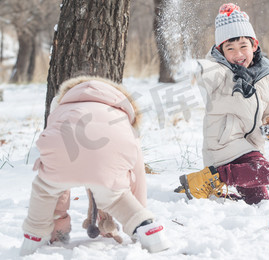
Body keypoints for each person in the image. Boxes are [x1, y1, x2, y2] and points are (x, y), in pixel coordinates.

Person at [20, 76, 169, 256]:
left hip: (62, 148)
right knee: (115, 196)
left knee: (46, 189)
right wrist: (141, 208)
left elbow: (61, 183)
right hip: (110, 153)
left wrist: (59, 223)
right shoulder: (122, 116)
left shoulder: (63, 107)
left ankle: (35, 235)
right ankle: (146, 228)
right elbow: (137, 172)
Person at [176, 3, 269, 205]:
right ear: (221, 51)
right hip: (222, 148)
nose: (237, 54)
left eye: (243, 46)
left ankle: (215, 185)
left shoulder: (267, 76)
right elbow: (207, 71)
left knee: (259, 201)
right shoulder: (221, 72)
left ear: (254, 45)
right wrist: (195, 66)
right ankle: (212, 178)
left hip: (250, 150)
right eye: (230, 48)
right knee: (267, 172)